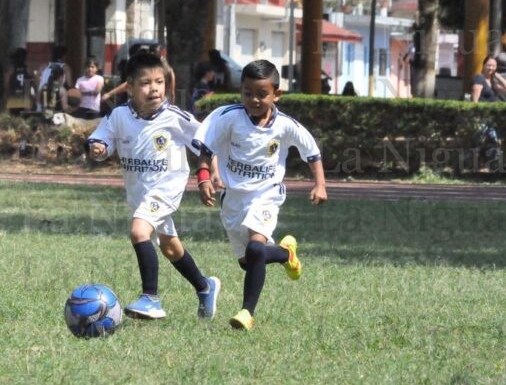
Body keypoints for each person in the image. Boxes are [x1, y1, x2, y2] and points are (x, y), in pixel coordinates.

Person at [193, 59, 327, 331]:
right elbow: (206, 147)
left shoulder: (286, 125)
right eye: (248, 93)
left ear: (276, 94)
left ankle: (246, 313)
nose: (254, 99)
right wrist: (204, 177)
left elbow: (312, 152)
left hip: (267, 195)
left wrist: (320, 184)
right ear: (240, 91)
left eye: (262, 94)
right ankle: (286, 253)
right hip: (233, 199)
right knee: (248, 262)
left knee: (256, 248)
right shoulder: (229, 116)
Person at [87, 52, 220, 320]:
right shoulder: (118, 116)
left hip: (167, 187)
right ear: (130, 87)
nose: (154, 88)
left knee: (139, 231)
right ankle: (205, 286)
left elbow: (207, 142)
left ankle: (151, 299)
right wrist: (99, 149)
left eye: (159, 82)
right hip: (140, 193)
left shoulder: (174, 117)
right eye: (146, 83)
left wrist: (210, 172)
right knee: (170, 247)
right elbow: (100, 143)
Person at [7, 47, 34, 113]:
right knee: (26, 119)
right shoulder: (28, 69)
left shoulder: (11, 69)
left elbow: (6, 84)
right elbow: (32, 84)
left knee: (14, 119)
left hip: (14, 97)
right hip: (25, 98)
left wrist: (7, 95)